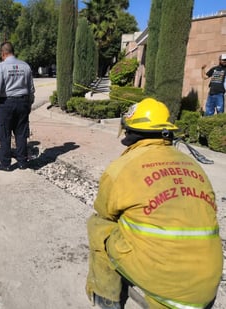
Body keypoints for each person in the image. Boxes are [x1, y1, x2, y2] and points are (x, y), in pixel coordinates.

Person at [86, 98, 223, 309]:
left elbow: (105, 212)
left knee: (99, 226)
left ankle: (105, 298)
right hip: (207, 283)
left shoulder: (122, 168)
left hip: (168, 289)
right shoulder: (193, 165)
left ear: (129, 132)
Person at [0, 42, 35, 171]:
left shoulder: (1, 66)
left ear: (3, 54)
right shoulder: (25, 66)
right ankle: (22, 162)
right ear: (13, 52)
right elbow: (31, 88)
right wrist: (29, 103)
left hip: (6, 104)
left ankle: (6, 164)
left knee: (4, 134)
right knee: (21, 133)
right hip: (23, 102)